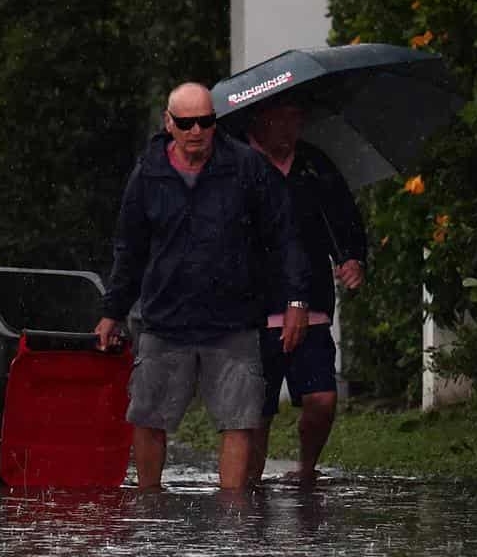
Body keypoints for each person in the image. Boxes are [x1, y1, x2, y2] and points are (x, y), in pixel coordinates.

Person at [95, 83, 310, 492]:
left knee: (239, 419)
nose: (197, 131)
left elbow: (285, 236)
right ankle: (149, 502)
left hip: (233, 319)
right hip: (165, 318)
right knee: (148, 416)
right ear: (169, 124)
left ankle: (233, 512)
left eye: (206, 121)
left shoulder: (246, 166)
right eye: (187, 123)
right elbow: (130, 248)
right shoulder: (148, 173)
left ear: (216, 122)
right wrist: (112, 311)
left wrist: (296, 300)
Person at [245, 97, 368, 488]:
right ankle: (250, 482)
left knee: (321, 399)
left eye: (296, 119)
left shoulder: (314, 165)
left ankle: (307, 468)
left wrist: (352, 259)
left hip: (312, 301)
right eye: (280, 119)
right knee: (257, 409)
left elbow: (344, 218)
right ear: (260, 120)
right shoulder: (237, 165)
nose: (289, 128)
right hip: (254, 307)